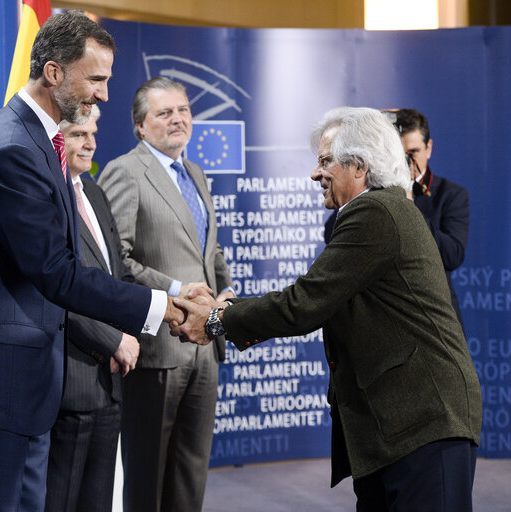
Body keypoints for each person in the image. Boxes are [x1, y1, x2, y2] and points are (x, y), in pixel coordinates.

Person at [0, 11, 185, 512]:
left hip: (27, 387)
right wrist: (164, 307)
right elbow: (56, 271)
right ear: (54, 72)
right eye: (97, 79)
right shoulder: (12, 150)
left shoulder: (43, 141)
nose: (104, 95)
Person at [173, 107, 482, 511]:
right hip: (397, 427)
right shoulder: (371, 212)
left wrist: (217, 319)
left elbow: (304, 303)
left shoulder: (376, 212)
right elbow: (317, 297)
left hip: (424, 423)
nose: (314, 174)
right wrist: (230, 310)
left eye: (324, 161)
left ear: (358, 165)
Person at [98, 77, 234, 512]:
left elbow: (208, 250)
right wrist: (176, 290)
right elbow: (115, 260)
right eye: (164, 112)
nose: (178, 119)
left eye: (184, 110)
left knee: (190, 477)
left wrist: (225, 292)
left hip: (205, 347)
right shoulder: (125, 170)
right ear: (140, 125)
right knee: (147, 478)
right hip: (157, 350)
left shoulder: (194, 173)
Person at [45, 105, 136, 512]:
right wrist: (113, 339)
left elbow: (114, 278)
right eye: (80, 134)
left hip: (111, 382)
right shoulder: (49, 192)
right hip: (71, 378)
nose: (91, 142)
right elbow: (55, 284)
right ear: (58, 139)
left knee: (98, 502)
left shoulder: (94, 191)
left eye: (93, 132)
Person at [324, 108, 469, 327]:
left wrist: (407, 203)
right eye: (399, 154)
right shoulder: (374, 191)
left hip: (433, 316)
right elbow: (331, 234)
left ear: (428, 148)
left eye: (413, 152)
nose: (405, 160)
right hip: (381, 317)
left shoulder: (450, 195)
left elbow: (453, 255)